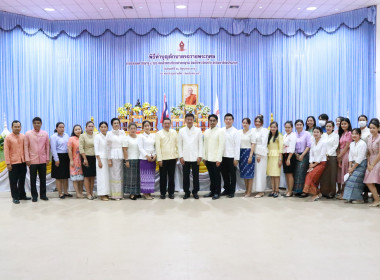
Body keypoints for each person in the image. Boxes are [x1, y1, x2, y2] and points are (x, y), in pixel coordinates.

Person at [4, 120, 30, 204]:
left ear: (21, 127)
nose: (17, 128)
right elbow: (6, 151)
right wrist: (8, 163)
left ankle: (22, 195)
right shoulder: (8, 137)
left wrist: (27, 160)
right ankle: (15, 197)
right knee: (13, 181)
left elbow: (26, 149)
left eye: (18, 126)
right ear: (12, 127)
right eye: (15, 127)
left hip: (22, 162)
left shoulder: (23, 136)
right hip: (13, 163)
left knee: (22, 180)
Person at [178, 113, 203, 199]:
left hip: (196, 157)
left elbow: (200, 144)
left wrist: (200, 156)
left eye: (191, 119)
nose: (189, 121)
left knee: (196, 176)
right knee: (185, 176)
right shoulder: (181, 131)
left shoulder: (198, 130)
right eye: (188, 119)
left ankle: (195, 192)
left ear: (193, 120)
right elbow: (179, 145)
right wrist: (180, 156)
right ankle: (186, 192)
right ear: (185, 120)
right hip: (185, 157)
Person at [24, 117, 50, 202]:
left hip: (42, 160)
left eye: (38, 123)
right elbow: (26, 147)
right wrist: (27, 159)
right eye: (35, 123)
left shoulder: (45, 133)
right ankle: (34, 196)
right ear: (33, 124)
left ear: (41, 124)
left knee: (43, 179)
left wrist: (47, 158)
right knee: (33, 179)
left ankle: (43, 195)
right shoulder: (28, 134)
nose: (37, 124)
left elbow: (47, 147)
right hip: (32, 160)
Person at [203, 114, 225, 200]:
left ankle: (217, 192)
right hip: (208, 158)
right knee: (211, 176)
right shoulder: (206, 132)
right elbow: (204, 146)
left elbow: (221, 146)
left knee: (217, 176)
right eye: (210, 120)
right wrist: (204, 158)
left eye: (214, 120)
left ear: (216, 121)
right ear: (208, 121)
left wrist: (219, 159)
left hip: (216, 159)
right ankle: (212, 191)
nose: (212, 122)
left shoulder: (220, 131)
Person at [343, 128, 367, 203]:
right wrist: (350, 167)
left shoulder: (362, 143)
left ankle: (359, 199)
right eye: (353, 134)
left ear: (360, 135)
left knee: (354, 179)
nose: (354, 135)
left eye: (356, 134)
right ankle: (350, 197)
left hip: (361, 164)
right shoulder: (352, 144)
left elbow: (360, 158)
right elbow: (350, 156)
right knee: (349, 178)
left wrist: (352, 168)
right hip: (353, 164)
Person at [156, 118, 178, 199]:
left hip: (172, 158)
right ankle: (163, 193)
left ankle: (171, 193)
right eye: (165, 123)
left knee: (171, 177)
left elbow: (177, 144)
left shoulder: (174, 132)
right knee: (163, 177)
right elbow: (158, 147)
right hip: (163, 159)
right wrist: (159, 159)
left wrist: (176, 155)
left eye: (168, 123)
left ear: (170, 124)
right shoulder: (159, 133)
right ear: (162, 124)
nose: (167, 125)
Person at [303, 127, 327, 201]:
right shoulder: (312, 142)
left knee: (310, 176)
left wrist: (314, 164)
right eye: (314, 132)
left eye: (317, 132)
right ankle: (318, 193)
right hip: (313, 163)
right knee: (313, 178)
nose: (315, 133)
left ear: (321, 133)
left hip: (321, 163)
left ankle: (315, 194)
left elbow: (322, 155)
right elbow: (311, 154)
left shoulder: (324, 142)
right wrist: (310, 163)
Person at [220, 113, 240, 198]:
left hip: (232, 157)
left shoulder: (236, 131)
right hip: (222, 156)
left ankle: (232, 191)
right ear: (224, 120)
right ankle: (226, 189)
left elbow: (237, 146)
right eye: (226, 119)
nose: (228, 121)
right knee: (224, 174)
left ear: (233, 121)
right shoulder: (221, 130)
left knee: (232, 175)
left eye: (230, 119)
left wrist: (236, 159)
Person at [50, 122, 70, 199]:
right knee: (59, 176)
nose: (62, 129)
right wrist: (56, 159)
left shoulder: (66, 135)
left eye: (63, 127)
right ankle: (60, 193)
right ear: (56, 128)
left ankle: (66, 192)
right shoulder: (53, 137)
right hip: (58, 156)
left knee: (65, 176)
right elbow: (53, 149)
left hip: (66, 157)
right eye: (60, 127)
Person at [106, 118, 125, 201]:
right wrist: (109, 159)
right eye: (114, 123)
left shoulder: (122, 132)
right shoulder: (109, 133)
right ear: (112, 125)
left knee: (120, 175)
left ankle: (120, 194)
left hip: (121, 155)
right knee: (115, 175)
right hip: (113, 155)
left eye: (117, 123)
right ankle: (114, 195)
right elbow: (108, 147)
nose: (116, 124)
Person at [319, 121, 339, 198]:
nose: (328, 128)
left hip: (332, 157)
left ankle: (332, 192)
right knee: (323, 175)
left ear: (333, 127)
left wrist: (328, 154)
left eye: (330, 126)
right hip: (323, 157)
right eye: (327, 126)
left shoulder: (335, 135)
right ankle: (324, 191)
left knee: (332, 175)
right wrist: (323, 154)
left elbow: (335, 146)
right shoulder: (323, 135)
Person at [138, 120, 156, 200]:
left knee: (151, 177)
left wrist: (155, 155)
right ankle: (145, 193)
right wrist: (147, 156)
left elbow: (155, 147)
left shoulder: (153, 136)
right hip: (144, 158)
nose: (147, 127)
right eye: (145, 126)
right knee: (144, 176)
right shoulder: (141, 136)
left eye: (148, 125)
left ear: (150, 126)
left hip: (152, 159)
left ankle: (149, 192)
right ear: (143, 127)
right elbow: (140, 148)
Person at [363, 118, 380, 207]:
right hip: (371, 161)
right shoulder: (369, 138)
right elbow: (368, 153)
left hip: (378, 161)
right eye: (370, 128)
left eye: (374, 128)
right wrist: (369, 164)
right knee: (368, 181)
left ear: (378, 128)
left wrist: (373, 164)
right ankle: (377, 199)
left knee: (370, 181)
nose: (372, 130)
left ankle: (377, 199)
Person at [293, 119, 312, 196]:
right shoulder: (294, 134)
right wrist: (296, 154)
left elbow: (309, 145)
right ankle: (297, 190)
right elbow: (292, 145)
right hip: (295, 155)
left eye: (300, 124)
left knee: (302, 172)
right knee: (296, 173)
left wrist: (302, 155)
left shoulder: (307, 133)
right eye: (297, 124)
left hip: (305, 155)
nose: (299, 126)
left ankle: (304, 191)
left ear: (303, 125)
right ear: (295, 126)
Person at [123, 122, 140, 200]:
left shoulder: (139, 137)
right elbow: (124, 150)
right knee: (131, 178)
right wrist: (126, 161)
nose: (133, 130)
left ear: (136, 129)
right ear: (128, 129)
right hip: (130, 159)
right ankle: (131, 193)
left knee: (137, 177)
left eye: (134, 128)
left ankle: (137, 192)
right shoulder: (126, 138)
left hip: (138, 159)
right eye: (131, 128)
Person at [239, 118, 256, 198]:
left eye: (246, 123)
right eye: (243, 123)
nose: (245, 124)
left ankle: (249, 191)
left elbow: (253, 144)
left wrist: (250, 156)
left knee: (249, 174)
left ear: (249, 124)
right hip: (241, 154)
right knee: (244, 174)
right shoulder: (239, 132)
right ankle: (246, 190)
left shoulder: (252, 133)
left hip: (249, 153)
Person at [252, 115, 268, 198]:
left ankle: (261, 191)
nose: (257, 123)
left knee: (261, 172)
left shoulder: (264, 131)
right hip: (254, 152)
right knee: (256, 172)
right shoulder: (253, 130)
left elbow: (264, 143)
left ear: (262, 122)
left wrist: (259, 154)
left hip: (261, 154)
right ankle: (256, 189)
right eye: (256, 121)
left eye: (259, 121)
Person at [79, 121, 96, 200]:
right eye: (89, 126)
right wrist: (85, 159)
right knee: (87, 176)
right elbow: (81, 148)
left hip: (94, 157)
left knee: (92, 176)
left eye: (92, 126)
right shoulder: (82, 136)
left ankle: (92, 192)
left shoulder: (96, 135)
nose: (91, 128)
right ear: (86, 128)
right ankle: (88, 193)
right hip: (86, 157)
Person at [337, 118, 352, 199]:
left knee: (345, 172)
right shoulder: (341, 133)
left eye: (345, 124)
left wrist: (340, 155)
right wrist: (339, 155)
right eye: (342, 124)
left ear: (348, 124)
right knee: (341, 173)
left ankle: (344, 193)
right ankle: (341, 192)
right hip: (341, 153)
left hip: (346, 153)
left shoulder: (349, 133)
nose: (343, 125)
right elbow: (339, 145)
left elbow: (347, 146)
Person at [94, 121, 110, 201]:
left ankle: (106, 193)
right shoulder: (97, 136)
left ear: (107, 128)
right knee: (101, 177)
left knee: (106, 177)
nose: (103, 128)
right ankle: (101, 194)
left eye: (105, 127)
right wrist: (99, 160)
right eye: (102, 127)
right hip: (101, 159)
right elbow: (96, 149)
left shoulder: (108, 136)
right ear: (99, 128)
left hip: (108, 158)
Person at [266, 121, 283, 198]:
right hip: (270, 157)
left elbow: (281, 149)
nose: (273, 128)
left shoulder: (279, 136)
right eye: (271, 127)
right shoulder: (268, 136)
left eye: (274, 127)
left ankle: (277, 190)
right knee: (272, 175)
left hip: (276, 157)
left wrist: (280, 159)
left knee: (276, 175)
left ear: (277, 128)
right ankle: (272, 190)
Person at [68, 125, 84, 198]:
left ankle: (81, 192)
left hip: (83, 161)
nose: (77, 131)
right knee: (75, 178)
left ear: (81, 129)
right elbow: (69, 150)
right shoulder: (71, 139)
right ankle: (77, 193)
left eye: (79, 129)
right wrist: (71, 160)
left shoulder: (83, 137)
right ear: (73, 131)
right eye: (76, 129)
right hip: (74, 160)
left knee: (81, 178)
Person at [282, 121, 297, 197]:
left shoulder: (293, 136)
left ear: (292, 128)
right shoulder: (285, 135)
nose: (287, 129)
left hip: (290, 156)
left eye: (289, 127)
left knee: (290, 174)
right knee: (286, 174)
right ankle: (288, 189)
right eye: (286, 127)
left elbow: (292, 148)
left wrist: (288, 159)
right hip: (285, 155)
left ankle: (291, 191)